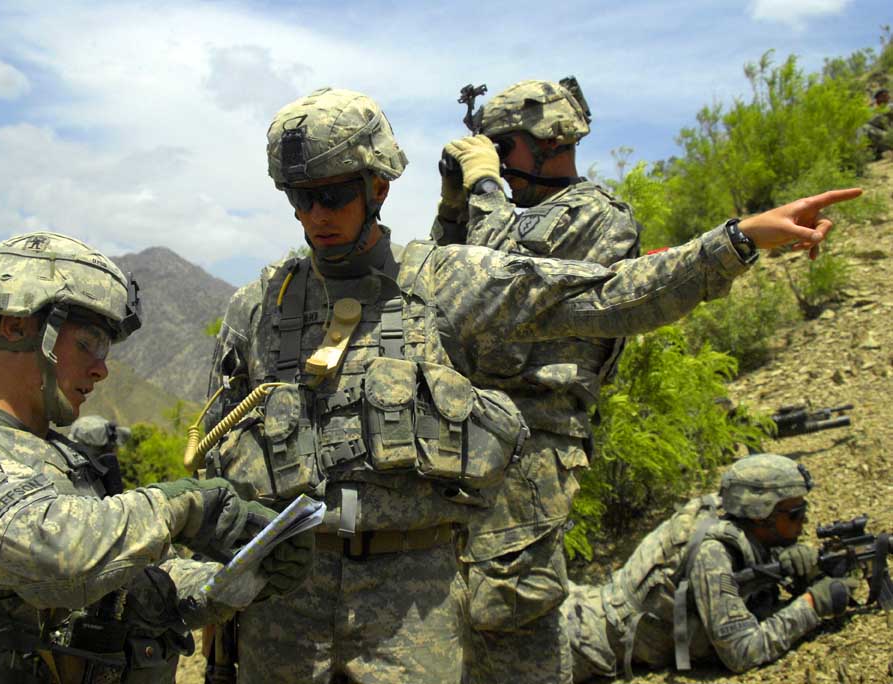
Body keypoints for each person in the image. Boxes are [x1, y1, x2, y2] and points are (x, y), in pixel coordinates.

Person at [202, 85, 859, 683]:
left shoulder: (441, 282)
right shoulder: (258, 305)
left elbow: (605, 295)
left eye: (334, 192)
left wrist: (737, 241)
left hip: (409, 603)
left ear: (378, 186)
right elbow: (218, 457)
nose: (315, 213)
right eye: (299, 196)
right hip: (287, 602)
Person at [0, 232, 313, 683]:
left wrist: (239, 579)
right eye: (88, 343)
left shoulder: (65, 461)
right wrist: (187, 506)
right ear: (15, 326)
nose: (101, 368)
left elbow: (129, 593)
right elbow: (60, 558)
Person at [431, 78, 641, 684]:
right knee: (452, 617)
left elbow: (500, 282)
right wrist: (454, 203)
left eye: (502, 147)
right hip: (463, 441)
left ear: (549, 141)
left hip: (532, 448)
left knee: (513, 614)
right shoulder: (508, 212)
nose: (492, 159)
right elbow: (439, 287)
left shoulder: (600, 217)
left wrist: (487, 188)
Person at [564, 453, 858, 680]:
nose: (804, 521)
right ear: (760, 513)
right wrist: (812, 604)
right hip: (580, 644)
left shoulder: (733, 516)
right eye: (796, 513)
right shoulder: (713, 553)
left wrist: (794, 561)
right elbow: (743, 651)